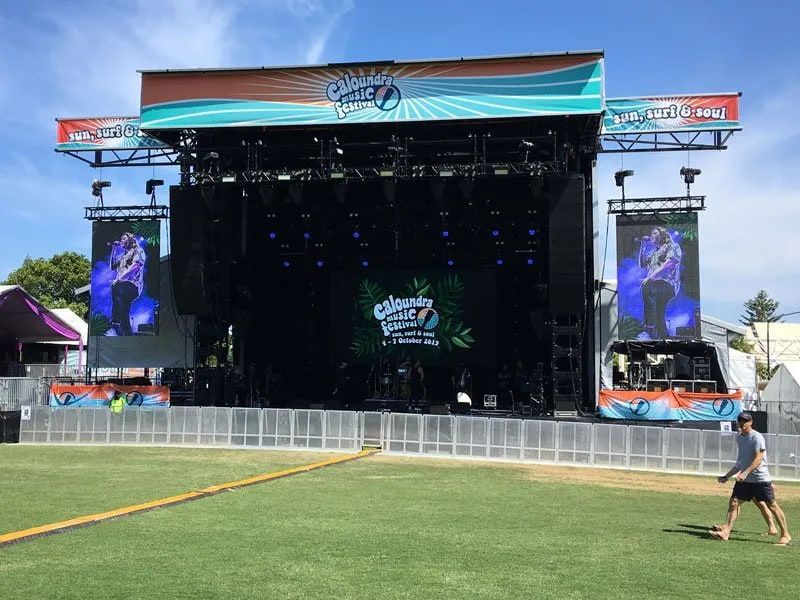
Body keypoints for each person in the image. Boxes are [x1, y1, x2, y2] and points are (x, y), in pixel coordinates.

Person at [710, 412, 791, 546]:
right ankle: (726, 532)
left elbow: (758, 459)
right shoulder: (740, 438)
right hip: (745, 480)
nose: (742, 423)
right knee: (734, 503)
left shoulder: (757, 437)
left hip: (760, 479)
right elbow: (741, 462)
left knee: (772, 506)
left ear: (751, 422)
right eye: (740, 421)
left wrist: (745, 473)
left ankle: (785, 535)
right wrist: (727, 476)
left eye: (745, 421)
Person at [638, 226, 681, 340]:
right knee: (658, 313)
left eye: (655, 233)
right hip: (655, 285)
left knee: (647, 286)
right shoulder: (654, 252)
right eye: (651, 234)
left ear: (663, 235)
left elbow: (669, 264)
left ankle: (648, 328)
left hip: (668, 284)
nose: (652, 235)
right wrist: (642, 246)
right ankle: (663, 336)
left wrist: (650, 278)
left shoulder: (672, 246)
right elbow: (642, 264)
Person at [110, 232, 146, 336]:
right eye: (121, 240)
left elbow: (135, 266)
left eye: (124, 239)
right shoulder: (123, 256)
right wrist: (114, 249)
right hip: (122, 286)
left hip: (133, 286)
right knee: (124, 313)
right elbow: (112, 266)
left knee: (115, 286)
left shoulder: (138, 250)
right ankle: (126, 334)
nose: (121, 241)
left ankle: (115, 321)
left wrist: (120, 279)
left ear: (131, 240)